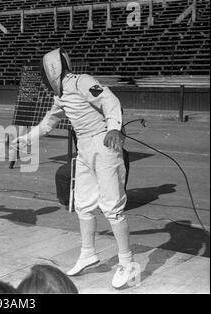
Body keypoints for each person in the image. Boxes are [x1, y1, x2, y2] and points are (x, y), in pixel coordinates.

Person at [14, 48, 135, 289]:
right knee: (83, 203)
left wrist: (113, 127)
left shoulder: (83, 81)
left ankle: (127, 262)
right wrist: (26, 139)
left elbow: (109, 99)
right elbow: (49, 121)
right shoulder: (61, 96)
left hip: (104, 145)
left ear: (52, 72)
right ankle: (88, 253)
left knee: (112, 206)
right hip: (85, 150)